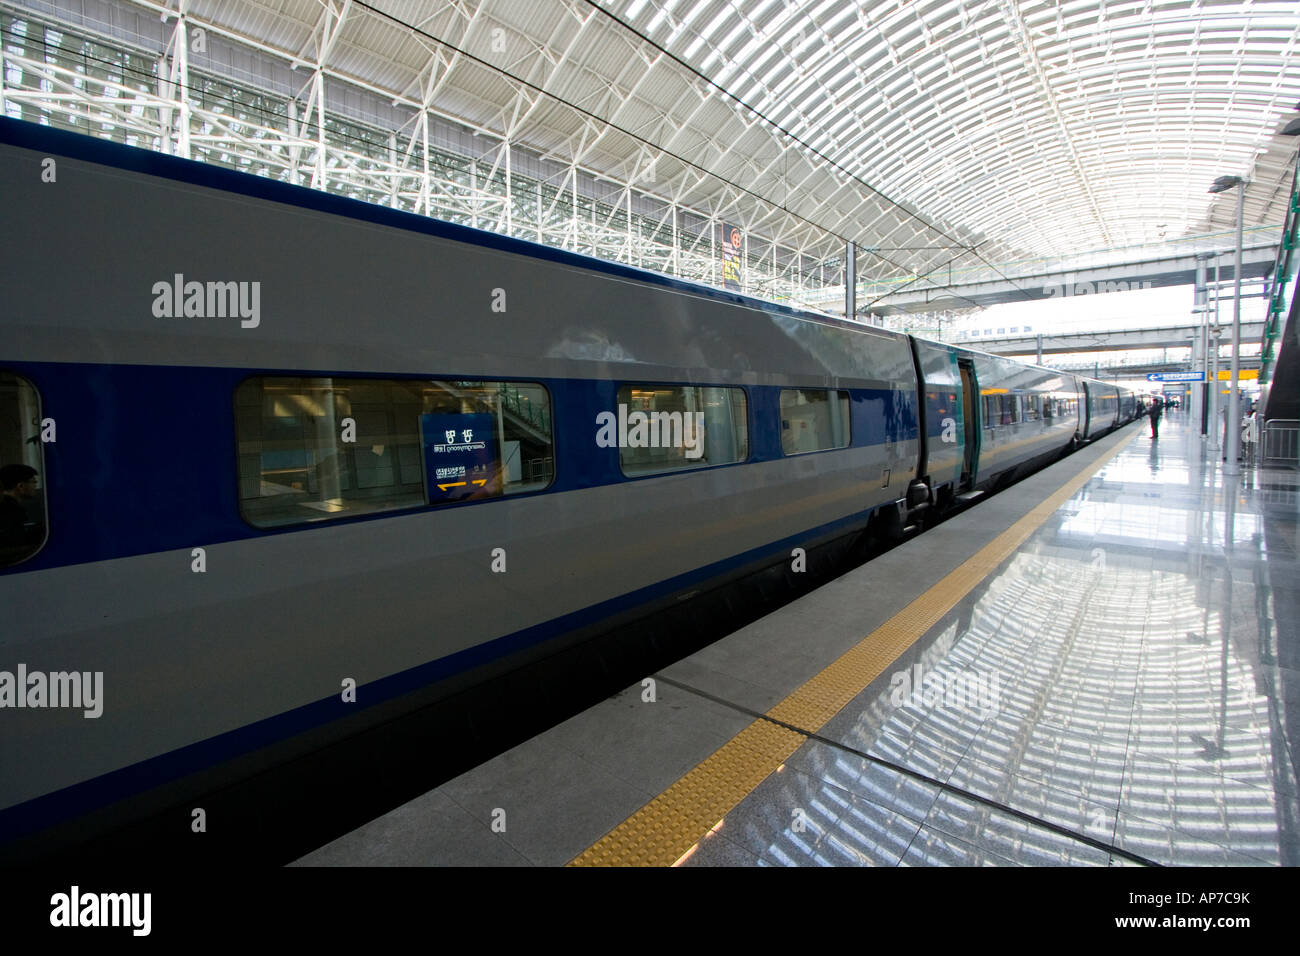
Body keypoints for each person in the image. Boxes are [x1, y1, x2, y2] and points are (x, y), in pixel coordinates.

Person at [0, 463, 42, 557]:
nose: (35, 486)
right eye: (33, 482)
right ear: (21, 486)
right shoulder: (11, 511)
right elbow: (15, 542)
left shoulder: (7, 507)